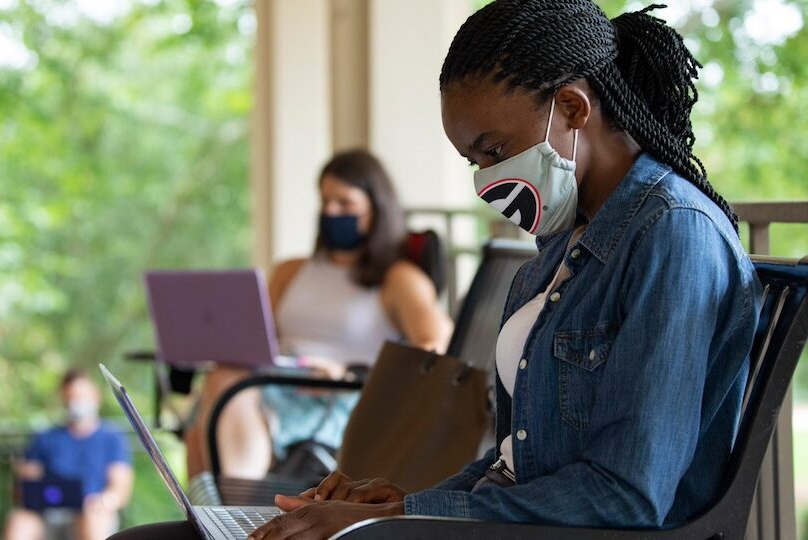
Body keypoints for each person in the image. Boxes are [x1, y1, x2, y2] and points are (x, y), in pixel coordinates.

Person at [110, 1, 762, 538]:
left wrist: (407, 516)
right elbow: (520, 460)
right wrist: (396, 502)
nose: (486, 179)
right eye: (472, 160)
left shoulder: (671, 234)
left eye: (493, 149)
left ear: (571, 108)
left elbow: (626, 494)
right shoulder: (561, 246)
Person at [183, 149, 453, 492]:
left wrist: (350, 374)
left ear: (376, 207)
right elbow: (254, 337)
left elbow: (436, 347)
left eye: (344, 203)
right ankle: (231, 513)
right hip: (276, 383)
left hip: (339, 396)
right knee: (216, 395)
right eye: (325, 201)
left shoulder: (399, 279)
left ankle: (236, 508)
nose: (330, 212)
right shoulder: (291, 270)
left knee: (213, 413)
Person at [4, 369, 133, 540]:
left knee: (92, 519)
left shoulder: (111, 438)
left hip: (91, 511)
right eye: (72, 397)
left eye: (82, 396)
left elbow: (121, 487)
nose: (77, 402)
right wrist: (26, 479)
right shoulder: (46, 438)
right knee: (19, 521)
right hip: (48, 513)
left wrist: (104, 501)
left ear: (96, 396)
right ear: (64, 399)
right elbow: (21, 491)